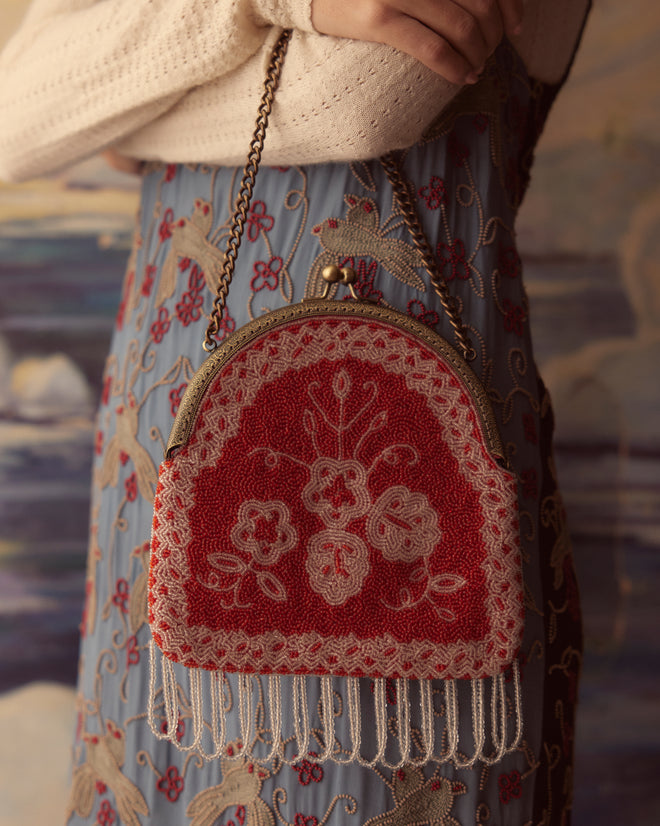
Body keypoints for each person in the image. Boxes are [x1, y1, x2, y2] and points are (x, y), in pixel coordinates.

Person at [0, 1, 590, 823]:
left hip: (419, 480)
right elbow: (20, 111)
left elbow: (357, 103)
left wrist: (136, 109)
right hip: (161, 461)